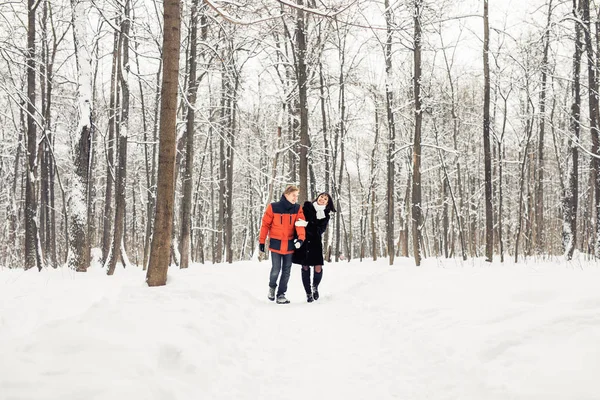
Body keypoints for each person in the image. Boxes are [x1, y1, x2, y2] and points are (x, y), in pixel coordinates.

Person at [259, 185, 306, 304]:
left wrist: (300, 239)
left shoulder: (297, 209)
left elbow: (300, 225)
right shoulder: (273, 207)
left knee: (286, 270)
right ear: (286, 195)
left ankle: (281, 294)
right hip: (276, 243)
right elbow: (265, 225)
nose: (295, 198)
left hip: (290, 244)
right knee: (276, 269)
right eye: (293, 195)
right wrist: (262, 241)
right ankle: (272, 287)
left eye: (297, 196)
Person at [292, 192, 336, 302]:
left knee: (318, 267)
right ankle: (308, 293)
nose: (322, 199)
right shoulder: (307, 207)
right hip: (304, 242)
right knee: (305, 267)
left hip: (316, 243)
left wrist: (307, 225)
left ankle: (315, 287)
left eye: (325, 199)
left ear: (327, 203)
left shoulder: (326, 215)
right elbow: (298, 222)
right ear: (318, 197)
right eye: (321, 197)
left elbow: (319, 231)